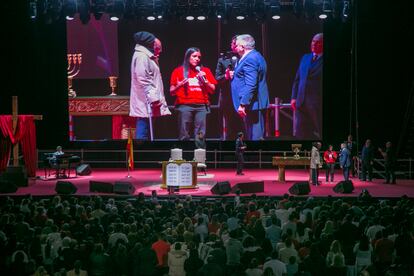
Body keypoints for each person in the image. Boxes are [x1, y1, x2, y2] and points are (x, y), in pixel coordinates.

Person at [129, 31, 171, 140]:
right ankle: (141, 154)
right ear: (149, 44)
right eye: (157, 47)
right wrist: (154, 99)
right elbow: (144, 79)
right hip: (146, 101)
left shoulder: (147, 56)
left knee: (147, 126)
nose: (160, 50)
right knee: (143, 127)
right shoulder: (142, 56)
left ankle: (145, 152)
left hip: (149, 100)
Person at [170, 47, 217, 140]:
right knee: (184, 134)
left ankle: (199, 153)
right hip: (184, 105)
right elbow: (171, 92)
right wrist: (179, 86)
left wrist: (205, 81)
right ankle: (185, 152)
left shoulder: (205, 71)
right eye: (194, 56)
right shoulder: (178, 71)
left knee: (200, 135)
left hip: (201, 106)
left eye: (199, 57)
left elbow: (212, 90)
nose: (197, 59)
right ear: (188, 57)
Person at [231, 34, 269, 140]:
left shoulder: (250, 59)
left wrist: (243, 104)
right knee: (253, 136)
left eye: (237, 45)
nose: (235, 47)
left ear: (242, 46)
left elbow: (251, 84)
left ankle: (257, 156)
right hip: (253, 104)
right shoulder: (255, 56)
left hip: (252, 104)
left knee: (255, 137)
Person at [291, 33, 323, 139]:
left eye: (318, 42)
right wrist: (294, 97)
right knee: (301, 133)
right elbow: (297, 79)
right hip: (301, 102)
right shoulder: (305, 58)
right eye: (313, 41)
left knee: (320, 131)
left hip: (317, 103)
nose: (314, 44)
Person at [215, 35, 242, 140]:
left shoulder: (245, 58)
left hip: (242, 97)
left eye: (237, 43)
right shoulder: (223, 60)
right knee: (230, 126)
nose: (234, 45)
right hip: (228, 98)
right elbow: (217, 78)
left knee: (244, 127)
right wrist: (226, 77)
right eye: (233, 43)